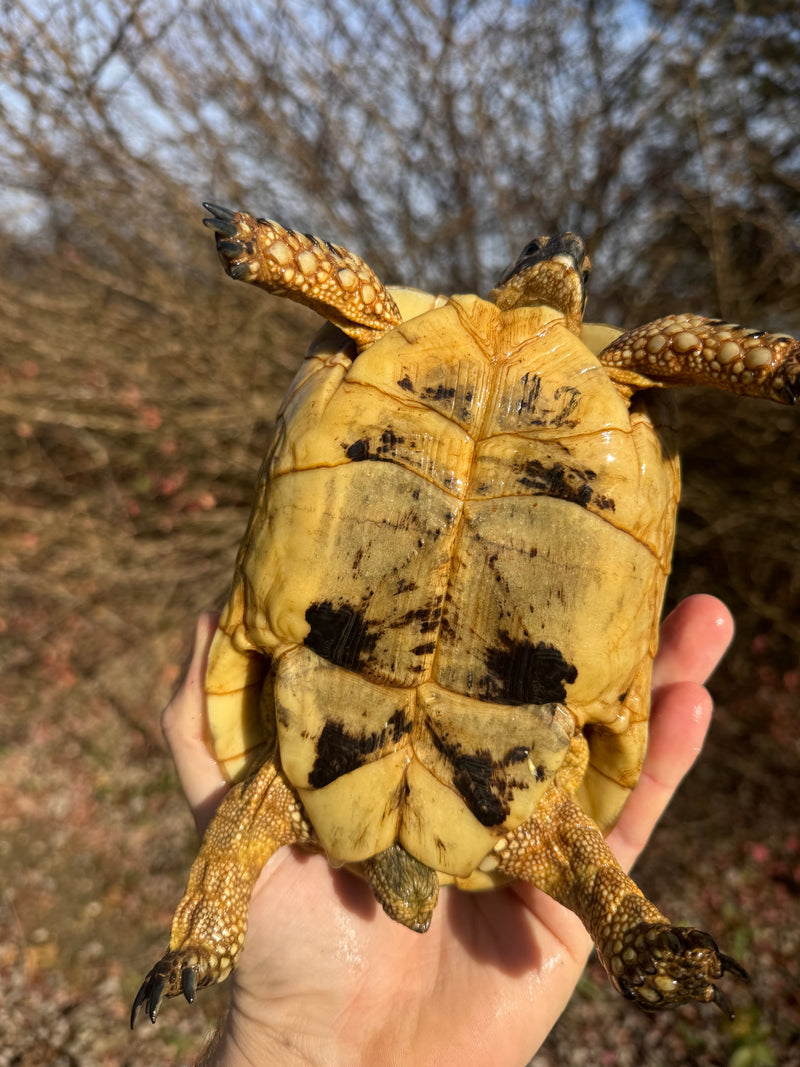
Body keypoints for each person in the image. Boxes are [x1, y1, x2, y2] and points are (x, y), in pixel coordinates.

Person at [161, 595, 734, 1066]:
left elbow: (236, 844)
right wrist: (631, 933)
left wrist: (209, 938)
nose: (418, 912)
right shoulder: (527, 819)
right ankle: (636, 942)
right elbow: (588, 869)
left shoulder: (285, 788)